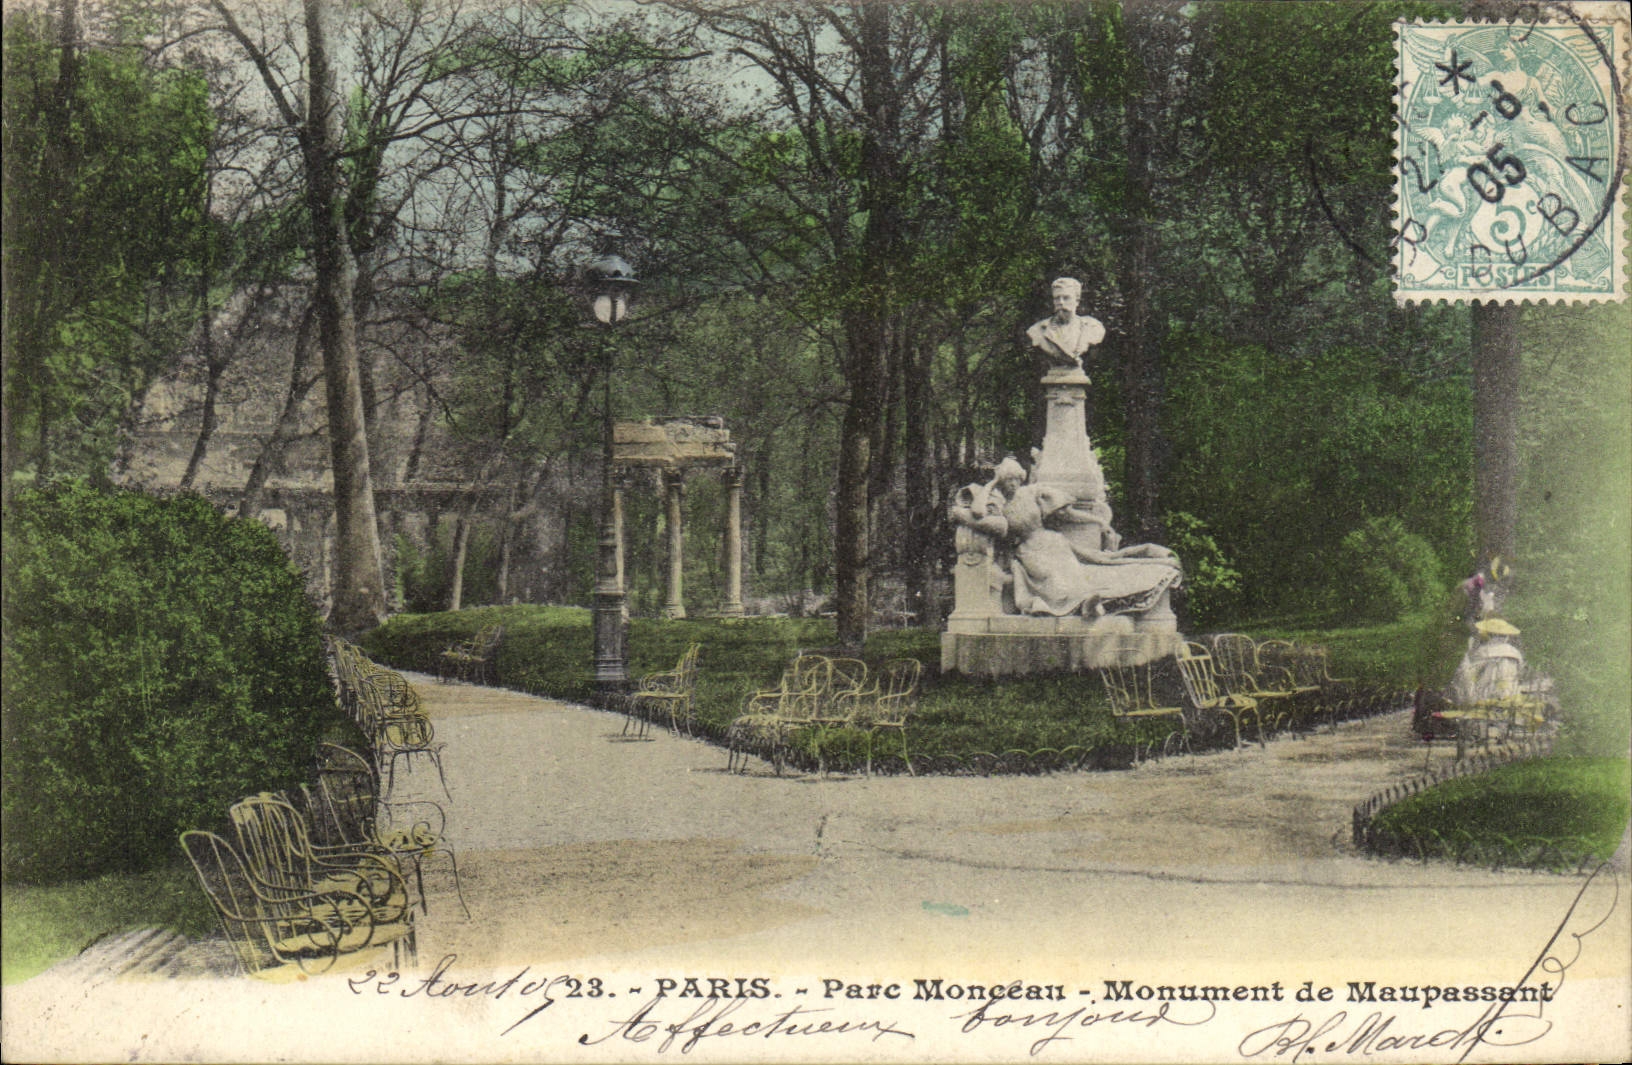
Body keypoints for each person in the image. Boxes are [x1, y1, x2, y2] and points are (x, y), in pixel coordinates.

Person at [1026, 277, 1105, 372]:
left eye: (1066, 298)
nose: (1061, 302)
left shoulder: (1093, 327)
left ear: (1077, 301)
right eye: (1057, 298)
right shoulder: (1038, 330)